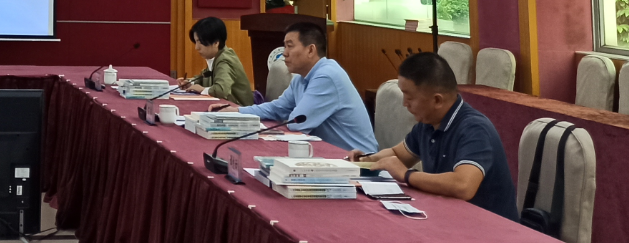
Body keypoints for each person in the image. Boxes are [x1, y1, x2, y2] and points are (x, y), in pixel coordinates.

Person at [348, 52, 518, 221]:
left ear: (437, 100)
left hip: (489, 226)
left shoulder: (474, 129)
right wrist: (366, 160)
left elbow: (463, 186)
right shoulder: (428, 123)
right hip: (450, 218)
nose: (404, 103)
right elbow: (398, 154)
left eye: (409, 97)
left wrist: (407, 175)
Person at [210, 22, 378, 153]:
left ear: (310, 50)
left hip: (358, 162)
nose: (284, 53)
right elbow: (277, 108)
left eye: (290, 46)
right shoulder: (301, 78)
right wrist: (237, 112)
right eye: (285, 46)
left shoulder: (327, 76)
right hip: (331, 156)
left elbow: (297, 123)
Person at [180, 17, 252, 106]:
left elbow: (221, 90)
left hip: (239, 110)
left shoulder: (225, 60)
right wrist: (190, 83)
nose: (196, 47)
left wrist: (202, 90)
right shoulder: (216, 56)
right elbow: (206, 77)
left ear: (216, 43)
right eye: (196, 42)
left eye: (200, 42)